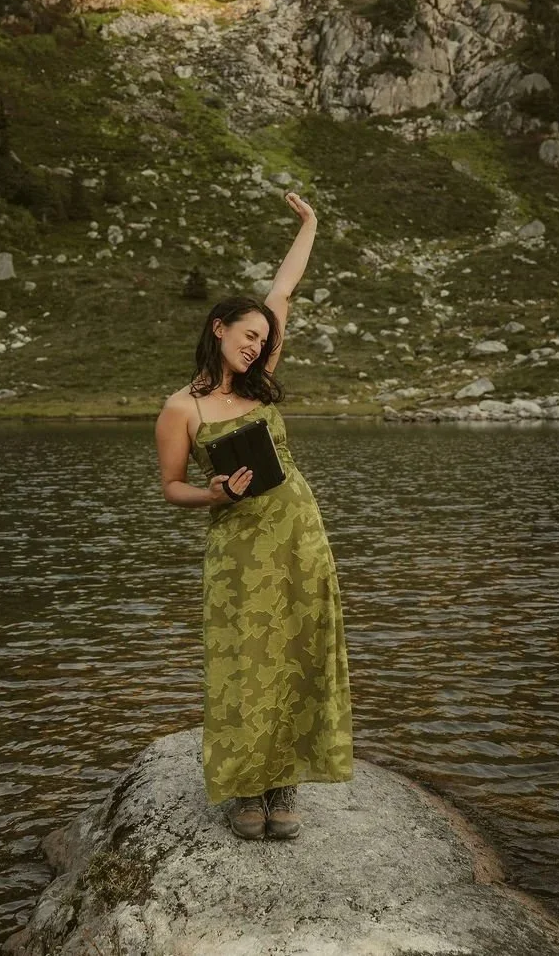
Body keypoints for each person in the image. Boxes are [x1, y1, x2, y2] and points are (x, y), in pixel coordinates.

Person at [154, 190, 354, 841]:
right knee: (244, 658)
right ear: (219, 328)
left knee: (296, 650)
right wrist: (213, 494)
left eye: (263, 339)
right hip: (238, 544)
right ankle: (244, 786)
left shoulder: (260, 380)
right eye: (248, 335)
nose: (257, 345)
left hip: (298, 533)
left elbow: (283, 291)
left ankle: (283, 781)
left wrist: (311, 224)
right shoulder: (181, 407)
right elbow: (171, 487)